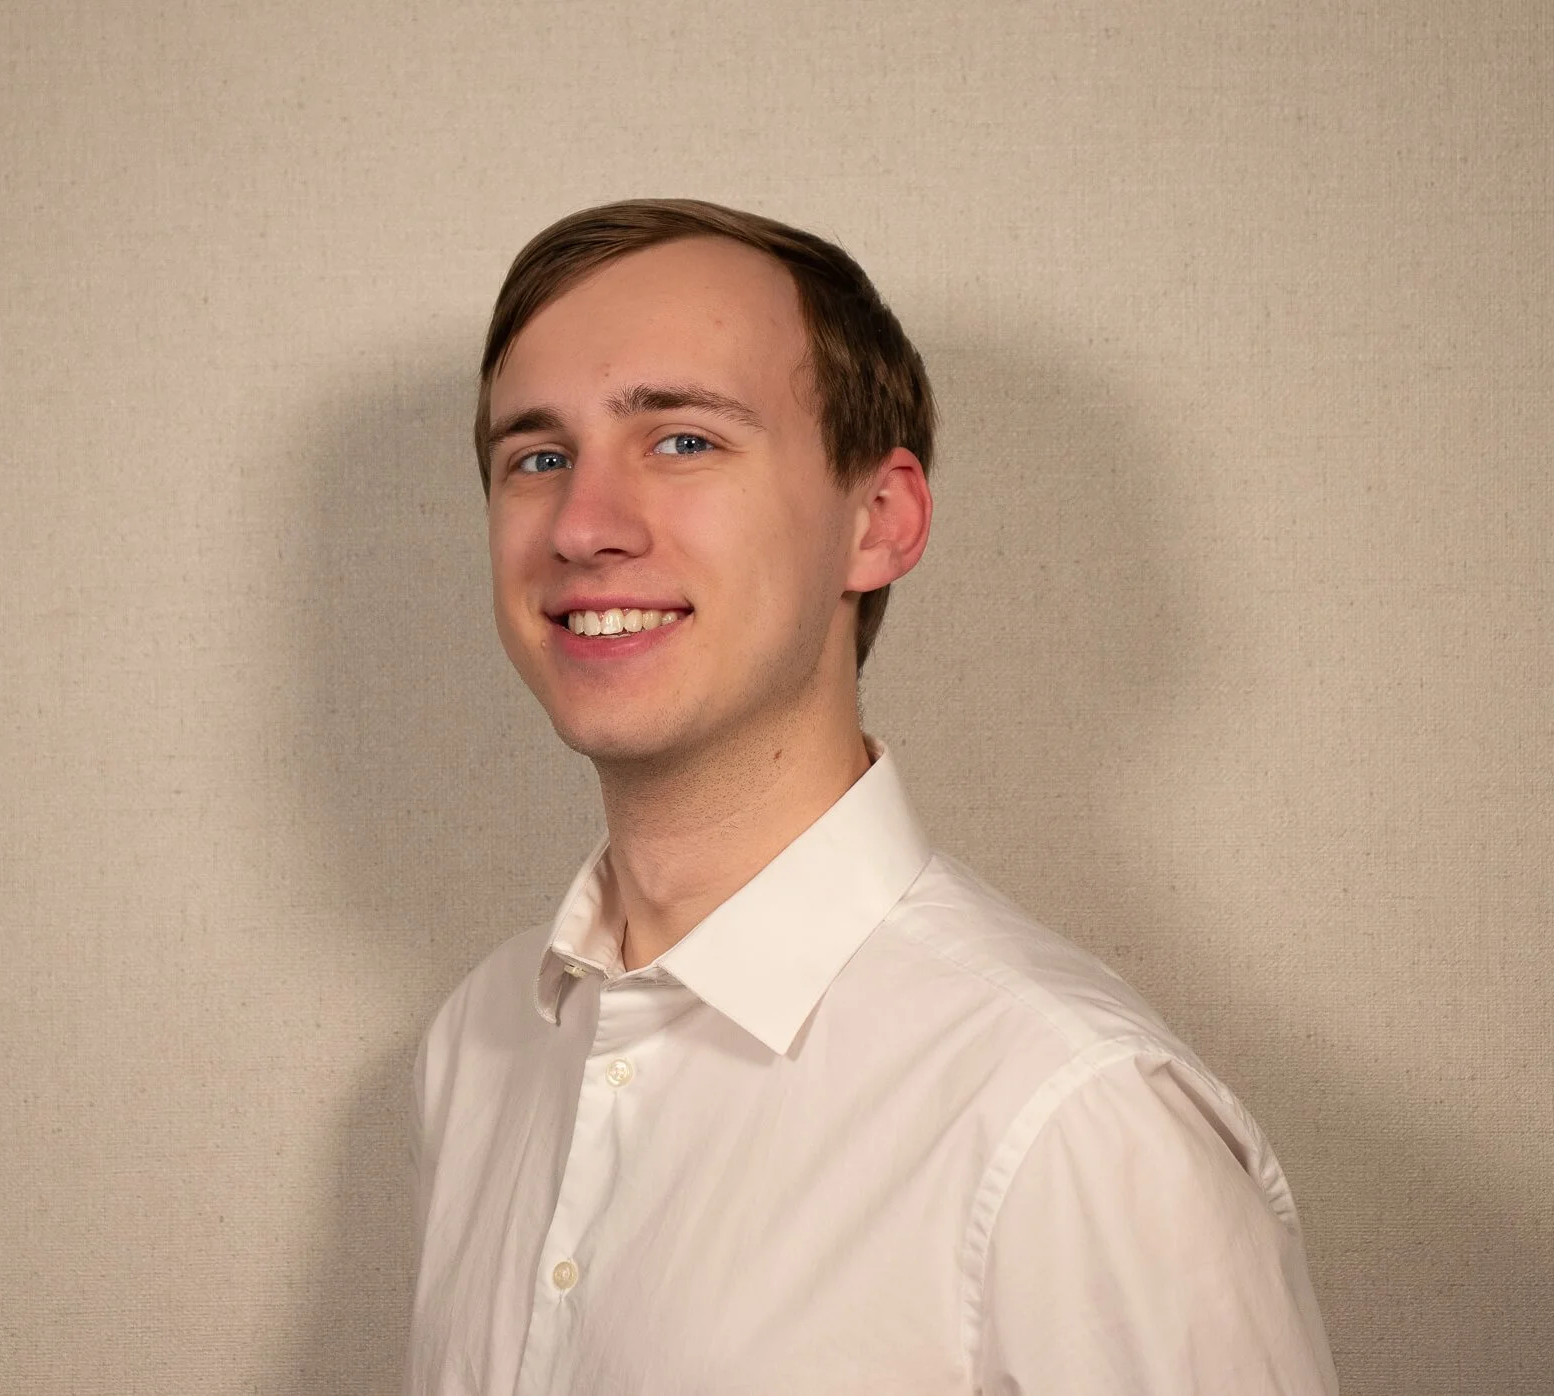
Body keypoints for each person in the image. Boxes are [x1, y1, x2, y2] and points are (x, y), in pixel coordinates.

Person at [405, 198, 1338, 1395]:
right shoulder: (481, 1044)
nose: (582, 527)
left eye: (682, 440)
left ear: (877, 521)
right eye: (536, 458)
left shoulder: (1070, 1122)